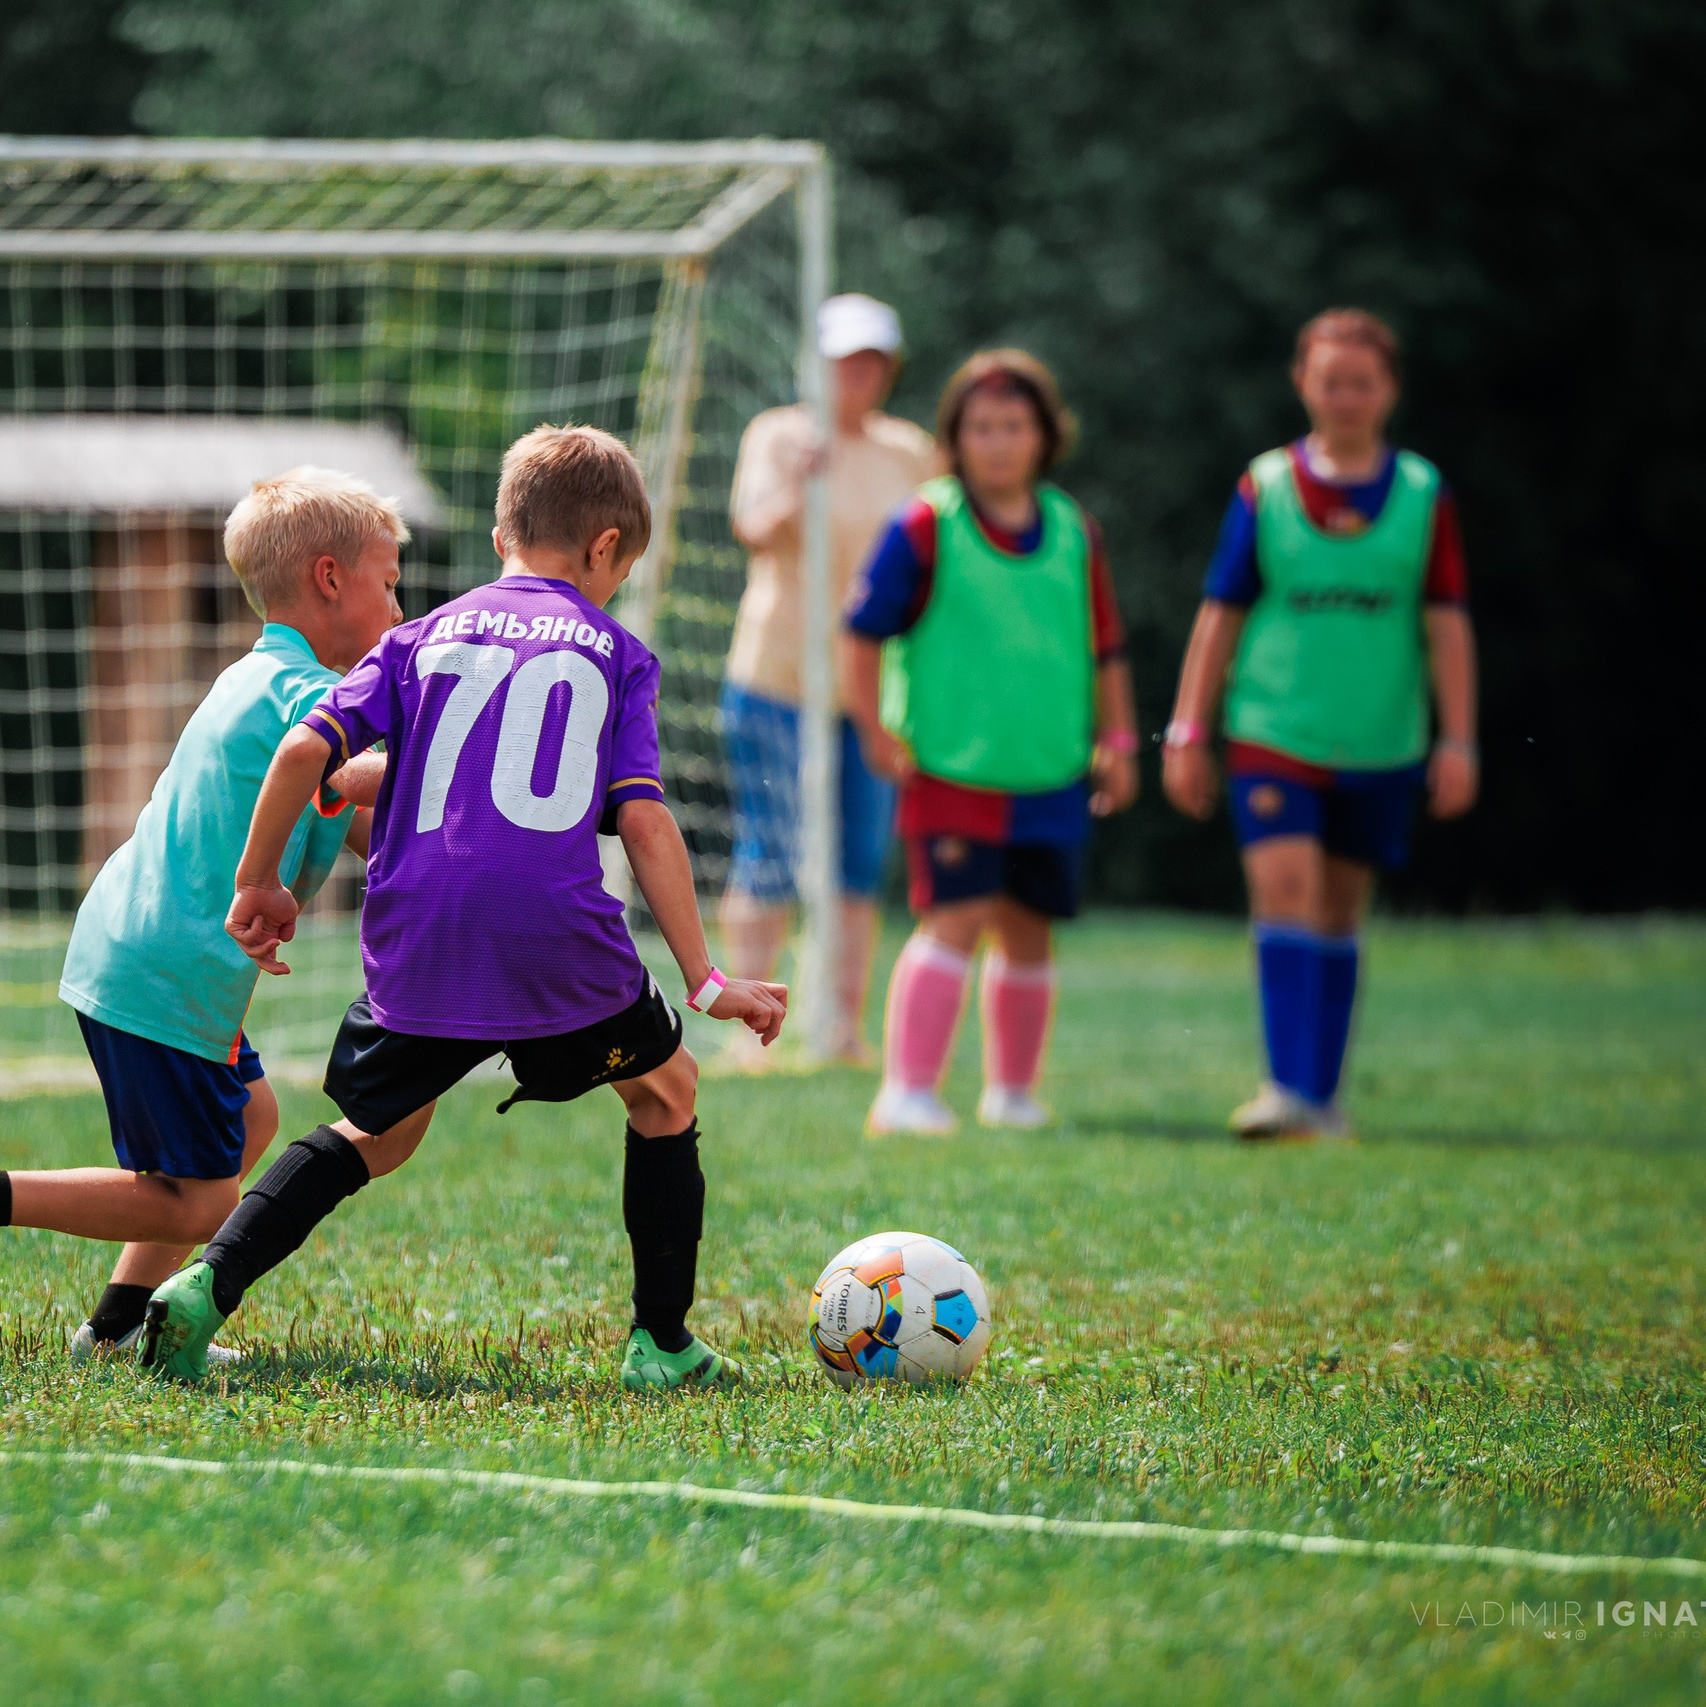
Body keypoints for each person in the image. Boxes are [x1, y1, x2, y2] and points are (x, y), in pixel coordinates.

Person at [142, 426, 790, 1391]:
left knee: (379, 1133)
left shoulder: (417, 639)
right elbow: (645, 824)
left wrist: (259, 884)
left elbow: (301, 757)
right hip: (557, 948)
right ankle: (660, 1342)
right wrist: (707, 977)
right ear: (607, 548)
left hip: (421, 943)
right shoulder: (617, 654)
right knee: (666, 1091)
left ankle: (202, 1286)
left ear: (501, 534)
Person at [0, 469, 402, 1350]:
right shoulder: (307, 701)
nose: (400, 608)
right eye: (390, 583)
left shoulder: (263, 680)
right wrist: (468, 772)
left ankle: (119, 1324)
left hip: (149, 958)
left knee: (251, 1119)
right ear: (330, 579)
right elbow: (357, 775)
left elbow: (351, 813)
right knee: (200, 1197)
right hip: (166, 974)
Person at [1163, 308, 1478, 1140]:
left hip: (1380, 737)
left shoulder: (1421, 493)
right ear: (1303, 382)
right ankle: (1286, 1089)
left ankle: (1323, 1099)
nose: (1345, 395)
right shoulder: (1264, 486)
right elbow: (1219, 616)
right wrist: (1189, 730)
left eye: (1362, 381)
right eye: (1330, 378)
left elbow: (1447, 621)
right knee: (1287, 889)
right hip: (1275, 732)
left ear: (1390, 391)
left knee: (1340, 909)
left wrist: (1459, 737)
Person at [841, 350, 1140, 1134]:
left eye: (1015, 425)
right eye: (982, 427)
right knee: (956, 918)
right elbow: (862, 632)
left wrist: (1117, 737)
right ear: (955, 437)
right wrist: (873, 726)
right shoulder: (924, 523)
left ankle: (1012, 1093)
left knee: (1030, 928)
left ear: (1045, 435)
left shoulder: (1075, 529)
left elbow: (1106, 645)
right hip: (949, 766)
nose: (999, 441)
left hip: (1049, 767)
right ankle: (906, 1091)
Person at [721, 294, 942, 1061]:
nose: (860, 374)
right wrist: (800, 482)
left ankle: (842, 1027)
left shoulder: (910, 450)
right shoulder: (778, 434)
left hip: (869, 691)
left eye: (874, 360)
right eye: (846, 359)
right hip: (776, 678)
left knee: (857, 861)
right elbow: (750, 529)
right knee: (772, 853)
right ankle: (753, 1034)